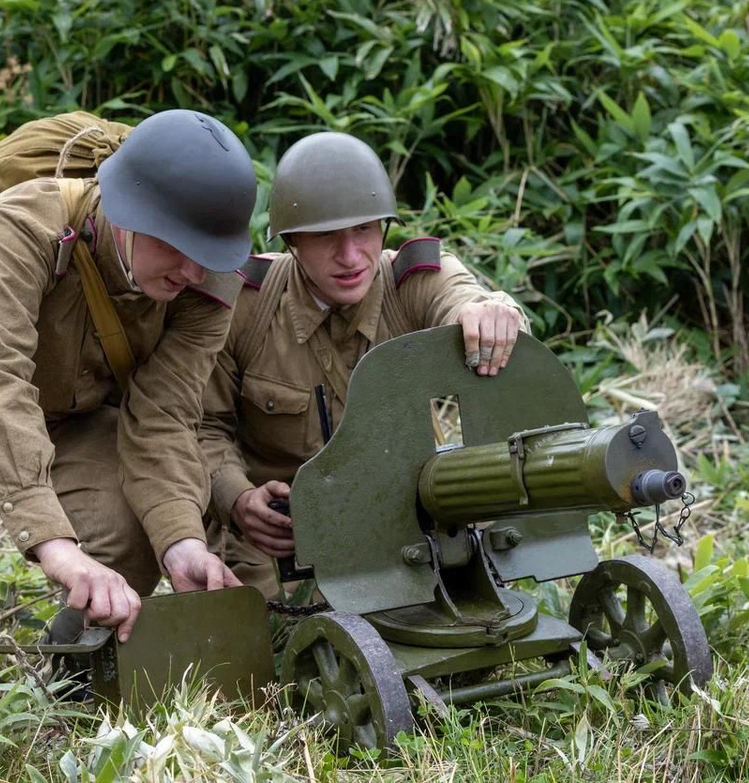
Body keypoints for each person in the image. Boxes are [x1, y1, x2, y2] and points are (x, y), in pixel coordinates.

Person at [0, 109, 254, 648]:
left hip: (66, 425)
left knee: (139, 525)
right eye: (179, 247)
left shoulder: (206, 288)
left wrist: (181, 541)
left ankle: (68, 665)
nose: (195, 272)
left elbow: (164, 418)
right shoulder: (19, 229)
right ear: (129, 214)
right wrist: (55, 545)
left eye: (209, 254)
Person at [198, 132, 526, 596]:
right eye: (326, 236)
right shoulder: (245, 309)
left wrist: (493, 315)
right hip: (278, 540)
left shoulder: (415, 284)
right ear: (291, 240)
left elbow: (469, 302)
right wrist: (237, 497)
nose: (351, 256)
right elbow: (204, 427)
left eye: (364, 230)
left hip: (407, 525)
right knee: (269, 648)